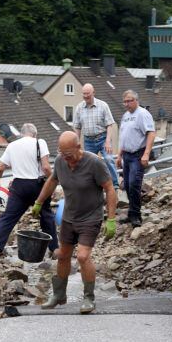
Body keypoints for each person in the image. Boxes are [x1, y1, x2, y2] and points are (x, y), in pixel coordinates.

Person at [31, 131, 117, 314]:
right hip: (69, 217)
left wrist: (111, 218)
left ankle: (89, 298)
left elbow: (109, 188)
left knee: (83, 256)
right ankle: (59, 295)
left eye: (69, 154)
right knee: (62, 255)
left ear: (79, 147)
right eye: (62, 154)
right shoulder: (61, 162)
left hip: (90, 217)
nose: (65, 158)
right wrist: (39, 202)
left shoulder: (94, 163)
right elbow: (52, 181)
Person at [0, 123, 58, 257]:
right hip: (38, 185)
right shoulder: (40, 142)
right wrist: (52, 183)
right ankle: (54, 249)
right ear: (35, 134)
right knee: (46, 216)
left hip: (18, 186)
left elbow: (0, 168)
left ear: (21, 134)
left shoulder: (12, 145)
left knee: (8, 217)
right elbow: (46, 168)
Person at [115, 90, 156, 226]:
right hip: (126, 154)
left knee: (134, 184)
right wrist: (119, 155)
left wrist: (146, 154)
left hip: (138, 154)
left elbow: (151, 133)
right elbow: (123, 137)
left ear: (136, 100)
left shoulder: (143, 114)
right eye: (125, 101)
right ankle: (131, 213)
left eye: (129, 101)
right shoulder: (125, 116)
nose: (127, 104)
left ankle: (136, 216)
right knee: (127, 185)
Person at [72, 83, 120, 190]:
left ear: (93, 93)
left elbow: (109, 124)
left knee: (108, 159)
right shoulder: (79, 108)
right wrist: (76, 143)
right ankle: (93, 185)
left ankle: (115, 184)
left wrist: (108, 141)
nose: (86, 96)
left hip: (102, 138)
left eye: (88, 94)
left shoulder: (103, 105)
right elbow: (77, 127)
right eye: (84, 94)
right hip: (88, 140)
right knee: (89, 163)